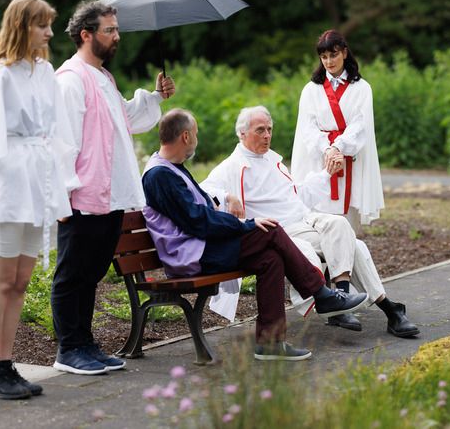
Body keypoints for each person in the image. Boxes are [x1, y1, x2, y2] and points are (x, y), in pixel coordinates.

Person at [141, 108, 369, 361]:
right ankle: (322, 295)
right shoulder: (160, 175)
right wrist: (246, 224)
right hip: (192, 255)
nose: (197, 139)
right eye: (195, 134)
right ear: (185, 137)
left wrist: (230, 206)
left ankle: (271, 342)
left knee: (271, 258)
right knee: (269, 229)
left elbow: (200, 211)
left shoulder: (172, 169)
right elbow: (198, 221)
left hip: (202, 248)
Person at [201, 106, 419, 337]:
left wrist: (327, 173)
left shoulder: (273, 161)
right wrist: (227, 197)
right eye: (260, 130)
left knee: (340, 225)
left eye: (269, 129)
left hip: (304, 220)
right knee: (355, 247)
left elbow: (297, 195)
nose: (267, 135)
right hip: (280, 232)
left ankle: (341, 300)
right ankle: (390, 309)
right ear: (242, 134)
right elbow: (203, 189)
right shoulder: (230, 167)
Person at [51, 0, 176, 375]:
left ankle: (85, 343)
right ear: (86, 34)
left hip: (110, 196)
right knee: (72, 274)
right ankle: (68, 349)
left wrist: (155, 97)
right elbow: (61, 144)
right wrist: (63, 198)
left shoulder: (102, 77)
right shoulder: (70, 80)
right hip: (83, 198)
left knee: (90, 273)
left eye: (117, 29)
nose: (117, 36)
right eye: (110, 30)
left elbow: (124, 119)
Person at [0, 0, 75, 399]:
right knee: (0, 277)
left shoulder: (45, 71)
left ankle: (6, 365)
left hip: (38, 183)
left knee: (21, 279)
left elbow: (58, 132)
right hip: (9, 180)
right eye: (42, 25)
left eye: (50, 24)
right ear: (21, 26)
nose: (49, 32)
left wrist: (61, 188)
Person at [291, 29, 384, 235]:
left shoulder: (361, 88)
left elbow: (360, 125)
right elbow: (307, 127)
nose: (328, 61)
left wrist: (338, 146)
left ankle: (347, 264)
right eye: (323, 56)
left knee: (348, 224)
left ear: (344, 52)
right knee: (318, 218)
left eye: (333, 55)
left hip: (348, 158)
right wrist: (327, 149)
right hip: (321, 159)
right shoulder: (311, 90)